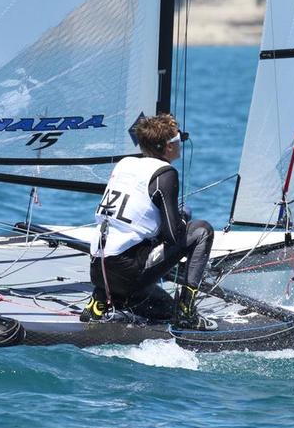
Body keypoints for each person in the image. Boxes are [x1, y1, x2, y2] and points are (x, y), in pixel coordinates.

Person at [81, 113, 216, 330]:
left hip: (98, 270)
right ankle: (187, 312)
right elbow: (173, 236)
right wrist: (183, 219)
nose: (181, 142)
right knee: (201, 231)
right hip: (128, 271)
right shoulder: (165, 173)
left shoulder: (125, 163)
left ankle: (101, 301)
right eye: (177, 138)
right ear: (167, 147)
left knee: (163, 309)